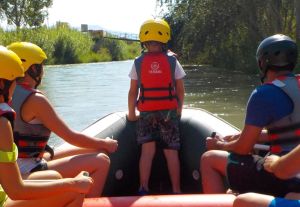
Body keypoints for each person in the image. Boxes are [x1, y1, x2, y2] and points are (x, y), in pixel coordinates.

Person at [0, 45, 93, 207]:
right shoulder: (1, 124)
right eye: (14, 81)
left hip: (4, 195)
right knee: (72, 191)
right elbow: (16, 190)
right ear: (2, 84)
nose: (16, 87)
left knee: (52, 177)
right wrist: (73, 183)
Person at [7, 42, 118, 197]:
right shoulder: (35, 100)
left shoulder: (5, 96)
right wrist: (106, 143)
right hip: (27, 170)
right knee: (101, 160)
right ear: (33, 69)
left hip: (14, 167)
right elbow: (71, 137)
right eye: (41, 66)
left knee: (93, 149)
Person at [200, 34, 300, 197]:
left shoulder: (263, 93)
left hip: (285, 175)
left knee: (209, 159)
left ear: (262, 63)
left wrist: (219, 145)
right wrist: (239, 136)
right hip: (294, 168)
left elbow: (243, 148)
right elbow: (290, 132)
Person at [127, 18, 186, 194]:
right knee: (171, 152)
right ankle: (176, 190)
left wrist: (131, 114)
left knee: (147, 152)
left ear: (143, 40)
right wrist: (179, 110)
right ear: (165, 38)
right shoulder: (173, 61)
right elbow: (181, 90)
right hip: (169, 113)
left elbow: (132, 92)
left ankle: (143, 187)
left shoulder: (137, 62)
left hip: (146, 113)